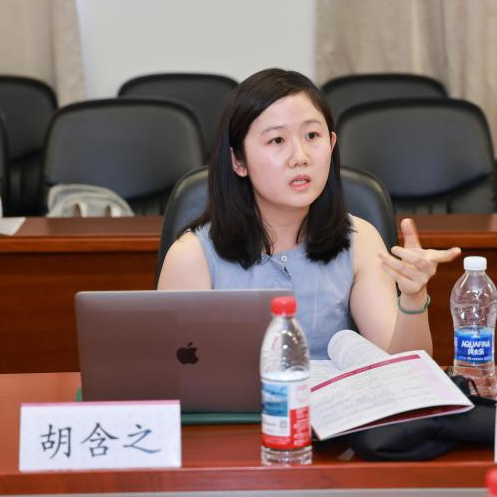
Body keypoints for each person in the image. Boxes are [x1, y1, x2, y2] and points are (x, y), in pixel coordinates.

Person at [158, 68, 460, 359]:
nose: (300, 157)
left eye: (312, 136)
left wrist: (413, 296)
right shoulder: (192, 256)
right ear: (238, 160)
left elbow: (403, 366)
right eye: (277, 140)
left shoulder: (361, 240)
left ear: (331, 144)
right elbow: (173, 374)